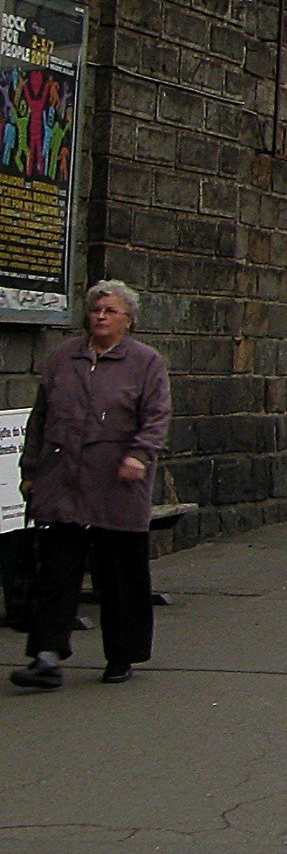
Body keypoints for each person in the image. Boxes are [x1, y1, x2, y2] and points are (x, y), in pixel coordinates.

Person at [14, 280, 171, 690]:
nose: (101, 316)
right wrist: (30, 472)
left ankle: (122, 654)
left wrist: (139, 455)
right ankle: (46, 655)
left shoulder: (145, 362)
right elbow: (41, 418)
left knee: (119, 574)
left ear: (129, 320)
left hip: (116, 483)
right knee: (57, 572)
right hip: (63, 480)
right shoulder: (64, 357)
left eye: (110, 311)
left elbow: (156, 417)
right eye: (96, 309)